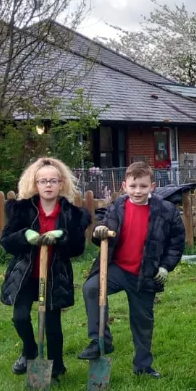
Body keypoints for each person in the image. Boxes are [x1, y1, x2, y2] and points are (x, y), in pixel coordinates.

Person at [79, 161, 185, 379]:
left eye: (143, 186)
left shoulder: (166, 211)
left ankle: (143, 366)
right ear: (125, 186)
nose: (138, 191)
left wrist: (165, 267)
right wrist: (100, 231)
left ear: (152, 187)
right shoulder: (118, 206)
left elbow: (177, 242)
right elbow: (104, 227)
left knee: (143, 321)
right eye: (133, 186)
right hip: (116, 269)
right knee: (91, 288)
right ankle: (100, 341)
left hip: (145, 273)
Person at [0, 157, 91, 381]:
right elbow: (6, 241)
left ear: (61, 184)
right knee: (20, 317)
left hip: (54, 275)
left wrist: (62, 236)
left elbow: (78, 248)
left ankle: (57, 366)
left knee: (52, 323)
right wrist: (25, 235)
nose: (48, 185)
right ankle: (29, 351)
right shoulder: (21, 210)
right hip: (25, 275)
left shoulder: (73, 214)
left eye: (53, 180)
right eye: (43, 181)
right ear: (35, 184)